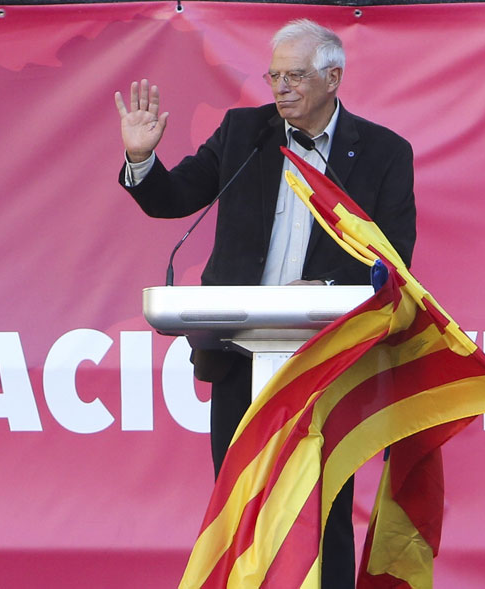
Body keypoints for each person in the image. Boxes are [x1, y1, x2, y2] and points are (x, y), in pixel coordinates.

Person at [114, 19, 416, 588]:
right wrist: (141, 161)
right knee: (241, 503)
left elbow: (394, 260)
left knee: (318, 503)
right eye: (274, 75)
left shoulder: (383, 153)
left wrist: (327, 292)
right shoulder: (244, 133)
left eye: (295, 76)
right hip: (240, 354)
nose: (281, 88)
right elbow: (175, 198)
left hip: (326, 359)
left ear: (334, 77)